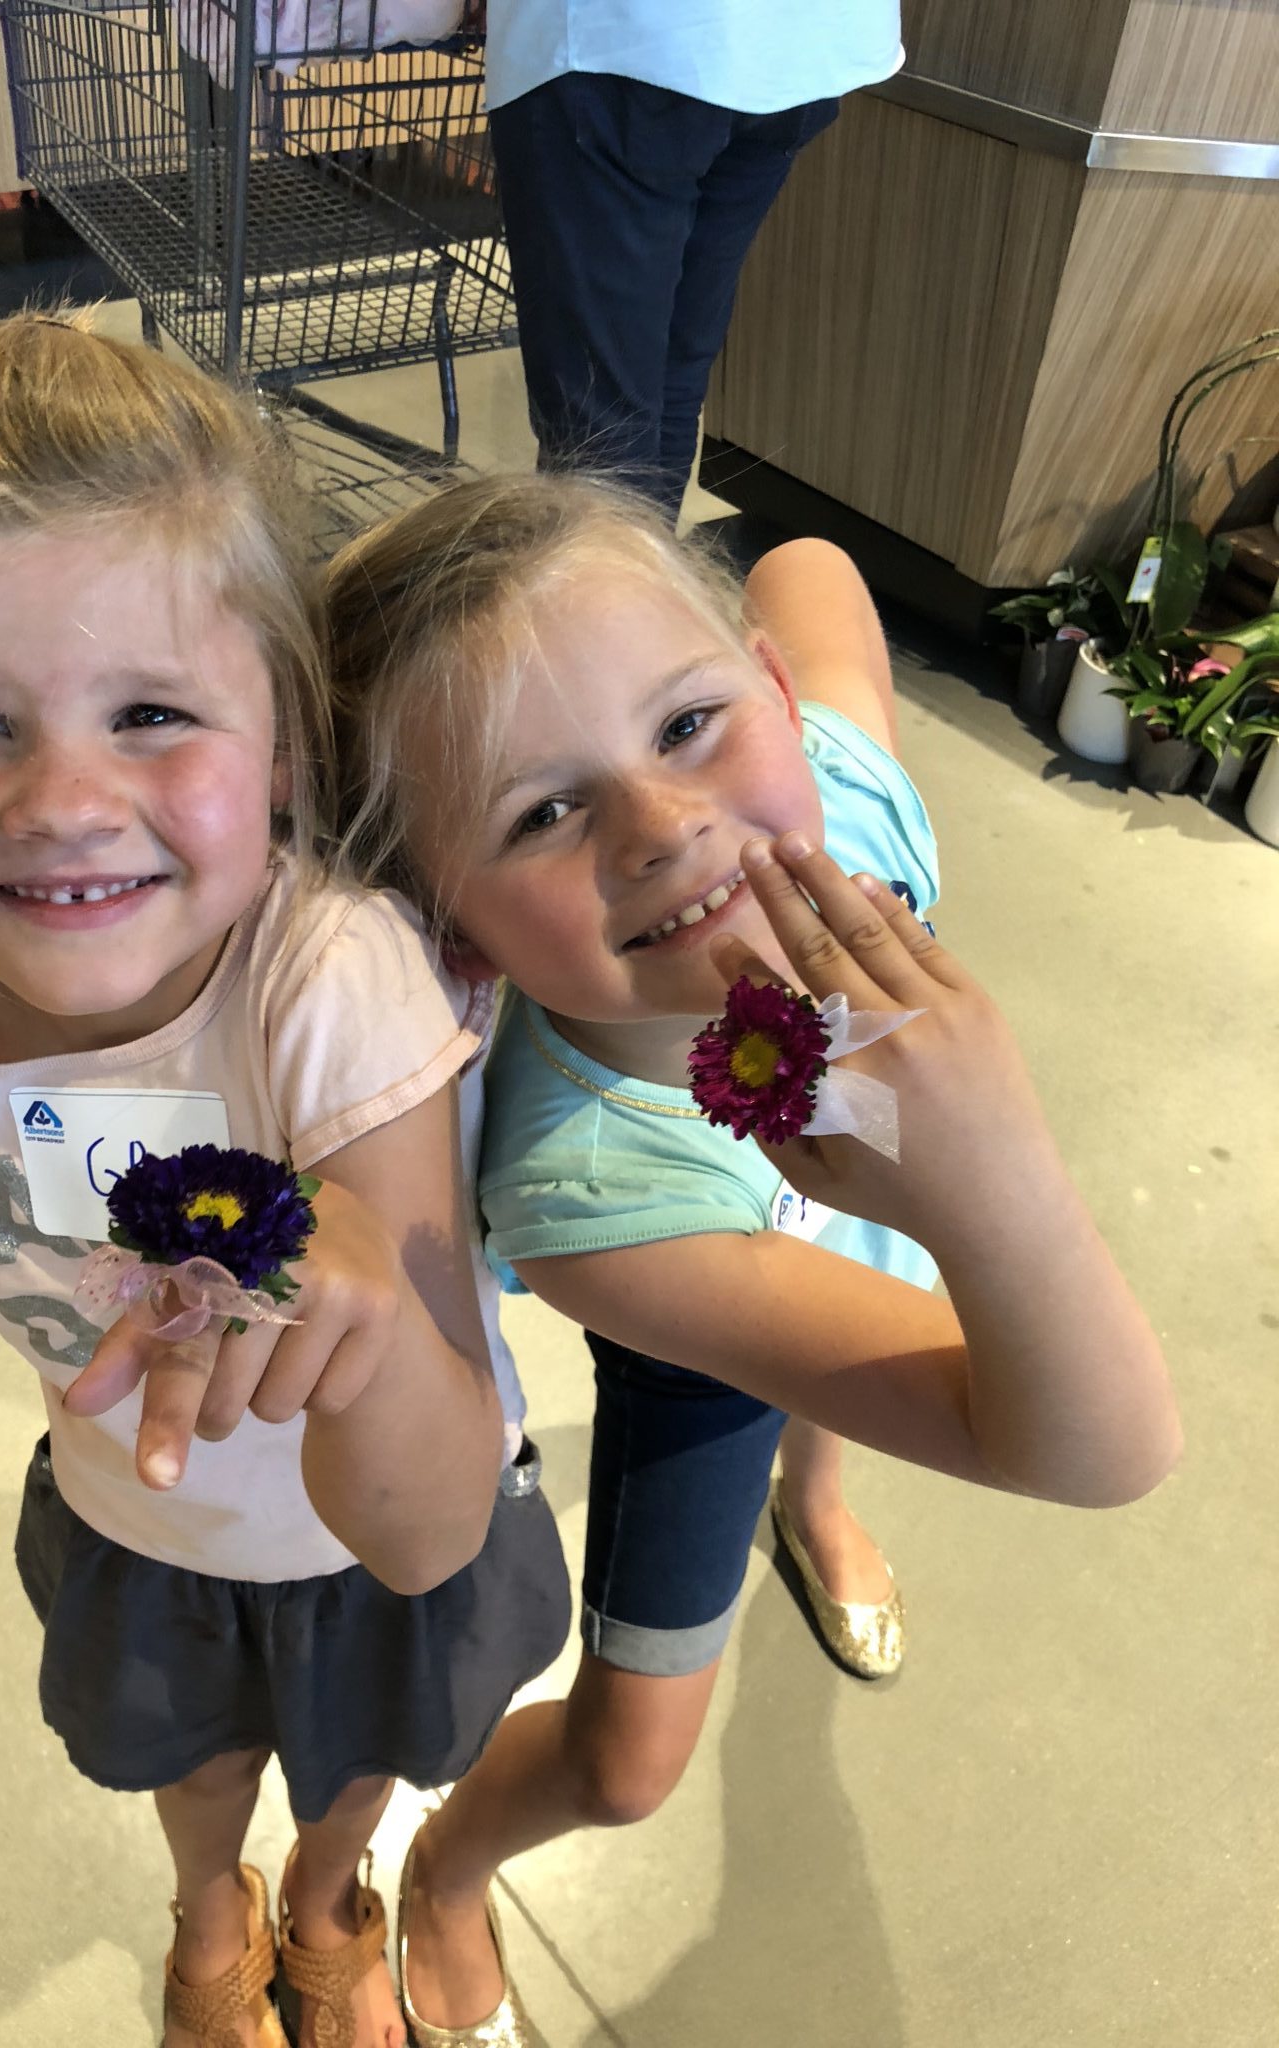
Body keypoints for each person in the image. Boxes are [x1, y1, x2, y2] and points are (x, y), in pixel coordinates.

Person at [0, 318, 569, 2048]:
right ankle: (212, 1901)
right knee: (186, 1755)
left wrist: (365, 1319)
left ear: (281, 727)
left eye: (151, 709)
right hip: (137, 1521)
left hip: (373, 1542)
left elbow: (430, 1522)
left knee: (356, 1755)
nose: (67, 798)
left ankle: (328, 1896)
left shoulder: (330, 988)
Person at [323, 473, 1181, 2041]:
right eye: (540, 811)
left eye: (690, 722)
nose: (668, 829)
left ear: (771, 693)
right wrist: (991, 1181)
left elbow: (805, 567)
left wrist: (956, 1184)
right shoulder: (591, 1197)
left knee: (860, 1365)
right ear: (454, 932)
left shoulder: (841, 795)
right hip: (708, 1326)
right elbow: (1104, 1453)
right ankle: (448, 1868)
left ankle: (822, 1490)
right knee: (626, 1765)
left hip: (855, 1236)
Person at [483, 0, 905, 520]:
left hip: (621, 46)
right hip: (801, 47)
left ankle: (617, 594)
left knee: (599, 422)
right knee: (670, 373)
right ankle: (646, 585)